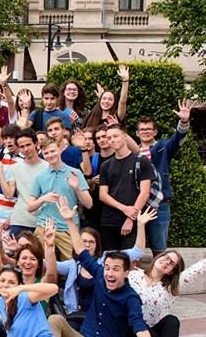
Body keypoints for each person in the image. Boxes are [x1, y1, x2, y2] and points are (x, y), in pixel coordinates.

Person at [47, 197, 174, 337]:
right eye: (107, 268)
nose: (109, 273)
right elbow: (81, 251)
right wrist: (69, 222)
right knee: (55, 320)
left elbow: (140, 328)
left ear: (126, 272)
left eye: (115, 269)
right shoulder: (100, 274)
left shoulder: (130, 297)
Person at [126, 250, 205, 337]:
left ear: (172, 271)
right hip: (130, 334)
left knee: (171, 320)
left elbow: (196, 270)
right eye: (166, 257)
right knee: (133, 322)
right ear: (159, 257)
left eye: (171, 263)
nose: (167, 262)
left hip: (152, 335)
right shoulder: (133, 275)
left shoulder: (170, 287)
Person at [136, 101, 191, 254]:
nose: (145, 132)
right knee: (135, 248)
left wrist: (183, 122)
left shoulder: (162, 147)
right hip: (137, 204)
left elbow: (177, 139)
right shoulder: (133, 152)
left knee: (159, 249)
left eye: (149, 129)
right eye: (142, 129)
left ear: (155, 132)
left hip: (159, 205)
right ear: (137, 133)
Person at [26, 138, 92, 260]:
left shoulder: (75, 173)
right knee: (42, 264)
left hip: (68, 228)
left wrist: (77, 188)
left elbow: (89, 204)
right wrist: (43, 199)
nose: (50, 155)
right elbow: (29, 207)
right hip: (44, 227)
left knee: (73, 263)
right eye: (46, 153)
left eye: (52, 151)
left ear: (60, 150)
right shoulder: (40, 177)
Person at [99, 123, 154, 251]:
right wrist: (124, 209)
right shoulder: (106, 165)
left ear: (124, 136)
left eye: (116, 136)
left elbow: (145, 193)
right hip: (109, 220)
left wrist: (130, 218)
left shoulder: (141, 161)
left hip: (133, 219)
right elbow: (103, 195)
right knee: (109, 258)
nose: (112, 140)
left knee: (131, 258)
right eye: (109, 138)